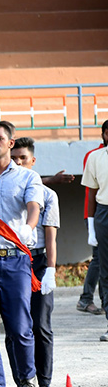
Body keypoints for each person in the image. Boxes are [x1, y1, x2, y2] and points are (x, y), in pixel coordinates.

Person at [0, 122, 43, 387]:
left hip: (14, 259)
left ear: (10, 143)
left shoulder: (28, 177)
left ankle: (27, 383)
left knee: (19, 326)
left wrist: (30, 228)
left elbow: (33, 206)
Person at [9, 137, 59, 387]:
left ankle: (45, 383)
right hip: (13, 259)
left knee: (40, 323)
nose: (18, 162)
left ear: (33, 161)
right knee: (15, 324)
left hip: (38, 261)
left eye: (23, 158)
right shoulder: (5, 188)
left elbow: (50, 235)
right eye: (14, 157)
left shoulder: (48, 195)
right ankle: (21, 381)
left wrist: (50, 269)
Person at [79, 123, 108, 315]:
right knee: (102, 265)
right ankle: (88, 299)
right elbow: (91, 192)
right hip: (102, 213)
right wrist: (91, 225)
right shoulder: (96, 156)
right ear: (104, 134)